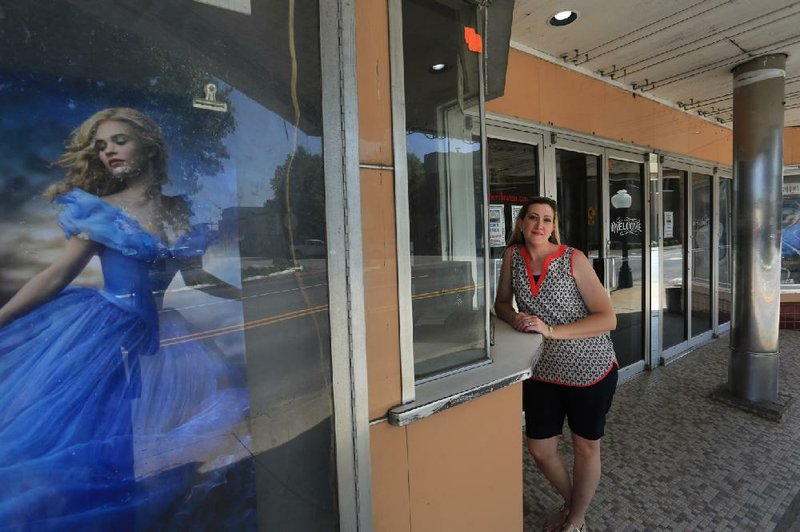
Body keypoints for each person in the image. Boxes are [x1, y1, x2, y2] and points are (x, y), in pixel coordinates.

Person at [0, 107, 253, 529]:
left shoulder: (181, 212)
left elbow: (194, 277)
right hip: (104, 331)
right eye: (100, 146)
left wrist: (247, 296)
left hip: (160, 337)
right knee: (93, 433)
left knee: (145, 431)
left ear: (149, 144)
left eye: (119, 140)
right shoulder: (99, 211)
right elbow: (57, 274)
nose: (108, 152)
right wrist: (2, 316)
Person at [494, 196, 618, 532]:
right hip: (542, 369)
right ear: (521, 223)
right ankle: (573, 502)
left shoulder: (572, 259)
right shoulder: (512, 257)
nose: (540, 225)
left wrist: (550, 330)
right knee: (539, 448)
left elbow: (608, 318)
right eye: (533, 217)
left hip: (590, 368)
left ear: (554, 226)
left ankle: (576, 519)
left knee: (585, 446)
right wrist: (515, 317)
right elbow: (501, 303)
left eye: (547, 219)